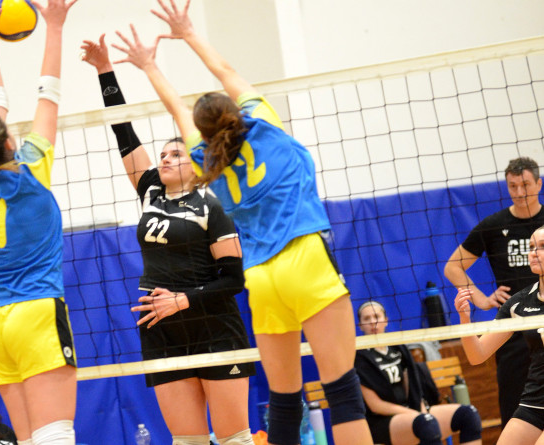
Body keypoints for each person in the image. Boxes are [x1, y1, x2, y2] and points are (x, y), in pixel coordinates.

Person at [110, 1, 373, 444]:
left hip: (262, 277)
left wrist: (149, 65)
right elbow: (225, 70)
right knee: (343, 393)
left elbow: (177, 109)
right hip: (305, 258)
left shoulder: (207, 162)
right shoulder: (266, 126)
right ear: (235, 111)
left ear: (203, 133)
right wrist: (188, 33)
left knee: (284, 402)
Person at [81, 34, 256, 445]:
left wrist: (183, 299)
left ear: (196, 163)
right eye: (161, 154)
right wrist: (105, 71)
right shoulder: (151, 191)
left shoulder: (213, 205)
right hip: (160, 329)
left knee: (235, 439)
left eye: (175, 154)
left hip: (213, 326)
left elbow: (234, 280)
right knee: (187, 441)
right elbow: (123, 132)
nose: (164, 158)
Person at [0, 0, 77, 443]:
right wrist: (55, 27)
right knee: (56, 436)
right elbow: (49, 94)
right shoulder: (32, 172)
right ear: (9, 143)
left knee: (26, 441)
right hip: (36, 313)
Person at [444, 156, 544, 427]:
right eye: (513, 186)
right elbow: (453, 267)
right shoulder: (494, 225)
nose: (519, 192)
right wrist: (482, 299)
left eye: (525, 184)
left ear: (538, 184)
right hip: (513, 324)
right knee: (515, 406)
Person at [455, 225, 544, 444]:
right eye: (531, 247)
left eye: (542, 247)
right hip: (535, 401)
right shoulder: (519, 303)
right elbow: (477, 355)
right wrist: (465, 319)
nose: (534, 252)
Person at [355, 301, 482, 445]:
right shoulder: (360, 357)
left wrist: (421, 411)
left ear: (386, 320)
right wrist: (416, 415)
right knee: (427, 425)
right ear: (360, 325)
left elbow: (414, 387)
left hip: (412, 413)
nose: (373, 322)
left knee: (468, 415)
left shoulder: (398, 347)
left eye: (376, 316)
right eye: (367, 318)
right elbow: (375, 405)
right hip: (382, 420)